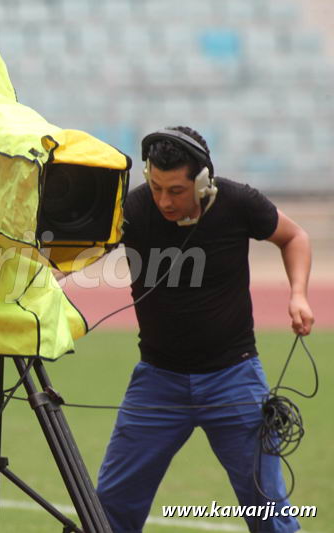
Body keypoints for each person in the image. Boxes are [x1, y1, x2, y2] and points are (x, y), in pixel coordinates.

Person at [95, 126, 314, 533]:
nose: (164, 200)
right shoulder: (134, 208)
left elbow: (294, 237)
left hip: (234, 378)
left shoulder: (238, 201)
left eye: (176, 190)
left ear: (202, 181)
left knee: (267, 507)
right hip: (157, 381)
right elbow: (76, 252)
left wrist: (298, 294)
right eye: (156, 187)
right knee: (109, 506)